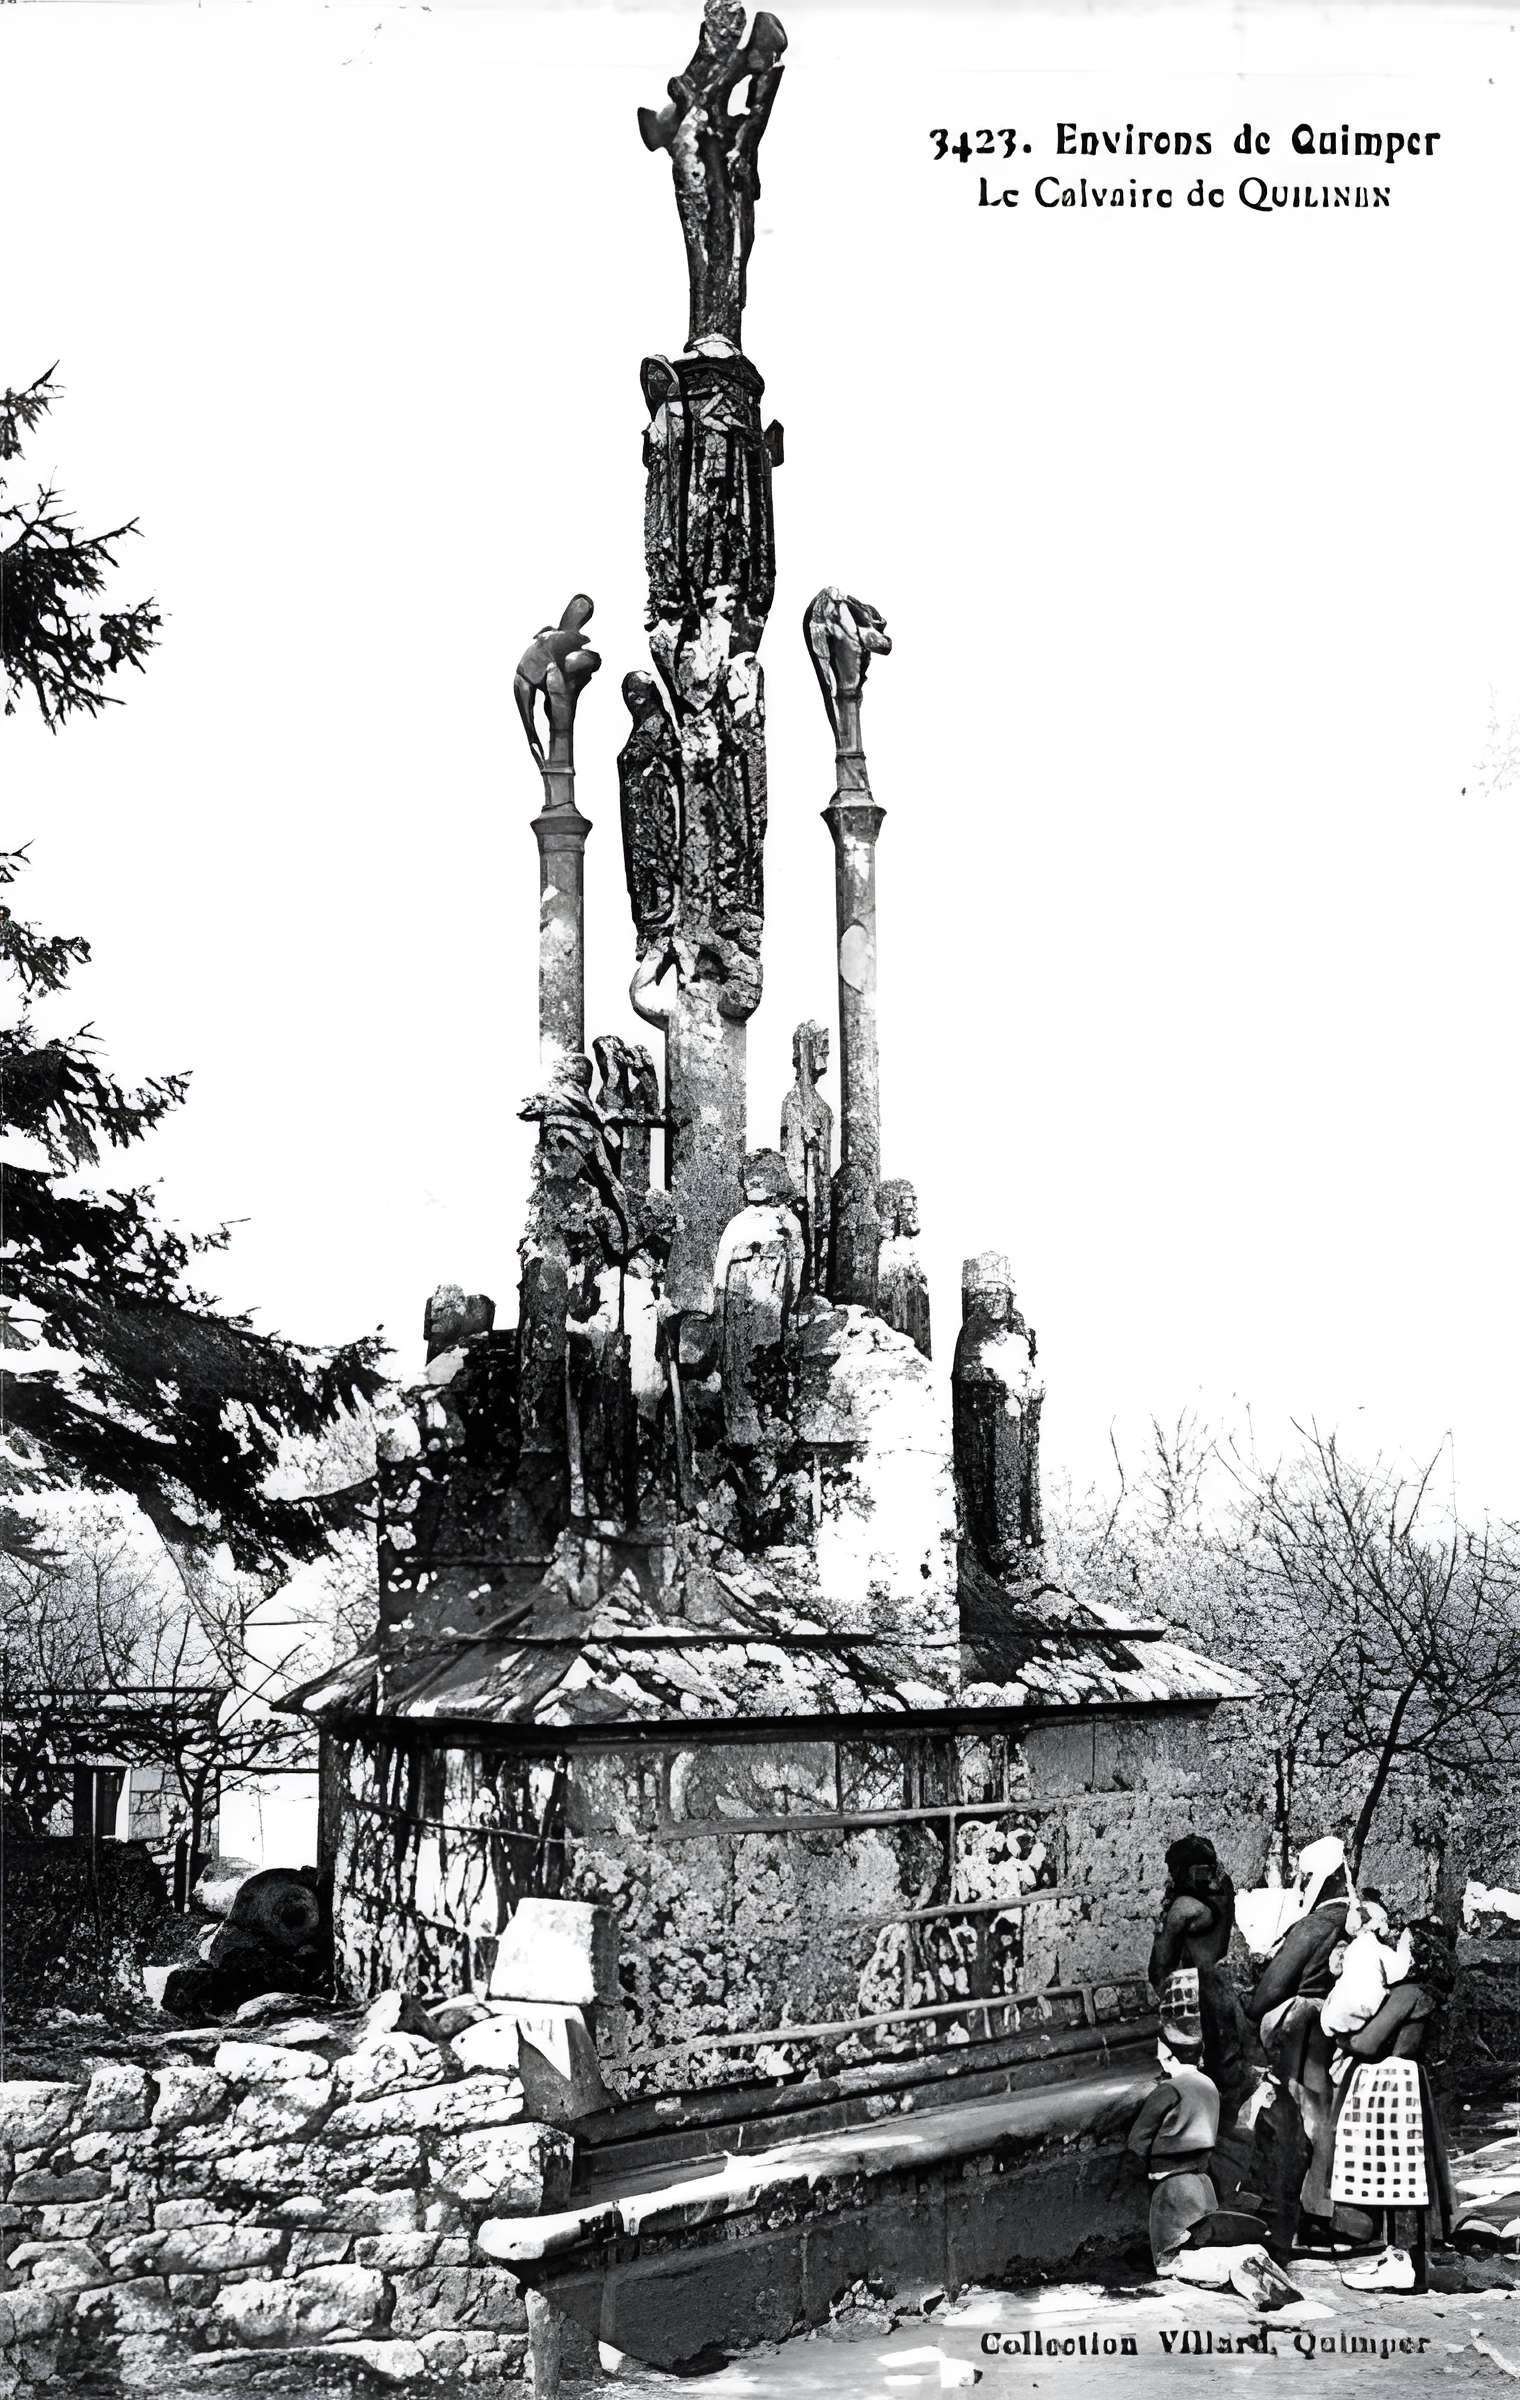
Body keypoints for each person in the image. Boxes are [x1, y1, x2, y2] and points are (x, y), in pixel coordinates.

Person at [1125, 2031, 1301, 2309]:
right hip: (1202, 2183)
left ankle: (1238, 2265)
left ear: (1168, 2055)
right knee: (1199, 2247)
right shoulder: (1209, 2086)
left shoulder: (1169, 2089)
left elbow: (1138, 2140)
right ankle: (1247, 2258)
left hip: (1173, 2186)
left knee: (1171, 2262)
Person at [1330, 1917, 1456, 2294]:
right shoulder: (1428, 1993)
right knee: (1402, 2173)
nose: (1395, 1949)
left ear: (1417, 1954)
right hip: (1407, 2083)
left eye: (1403, 1943)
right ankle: (1399, 2257)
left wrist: (1340, 2037)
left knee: (1398, 2173)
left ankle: (1401, 2261)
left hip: (1393, 2086)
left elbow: (1369, 2043)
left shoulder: (1409, 1993)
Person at [1246, 1834, 1357, 2245]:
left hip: (1303, 2028)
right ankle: (1329, 2208)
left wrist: (1252, 2008)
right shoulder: (1356, 1917)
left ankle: (1299, 2211)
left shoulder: (1315, 1924)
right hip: (1336, 2030)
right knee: (1328, 2115)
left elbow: (1269, 1992)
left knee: (1300, 2119)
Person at [1150, 1835, 1250, 2103]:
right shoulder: (1224, 1887)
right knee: (1227, 2064)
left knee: (1200, 2074)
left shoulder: (1184, 1907)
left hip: (1198, 1992)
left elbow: (1160, 1964)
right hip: (1223, 1985)